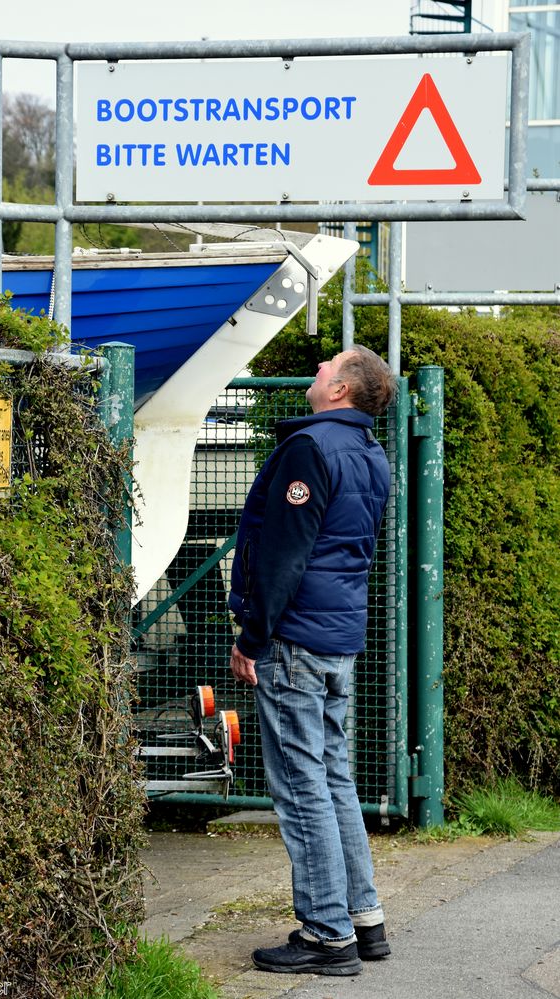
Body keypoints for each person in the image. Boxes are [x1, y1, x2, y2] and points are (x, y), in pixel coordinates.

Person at [228, 345, 397, 976]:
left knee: (302, 788)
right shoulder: (371, 453)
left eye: (329, 365)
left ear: (342, 390)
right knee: (334, 780)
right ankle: (364, 920)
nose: (318, 369)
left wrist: (252, 637)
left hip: (295, 640)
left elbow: (283, 555)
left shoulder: (312, 447)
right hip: (338, 640)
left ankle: (327, 935)